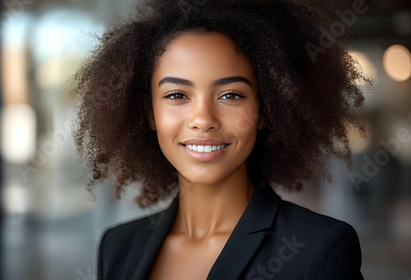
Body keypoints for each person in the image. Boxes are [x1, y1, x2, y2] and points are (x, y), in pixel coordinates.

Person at [71, 0, 370, 279]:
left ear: (265, 110)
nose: (203, 119)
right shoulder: (117, 247)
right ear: (150, 113)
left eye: (231, 95)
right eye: (177, 95)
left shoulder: (319, 250)